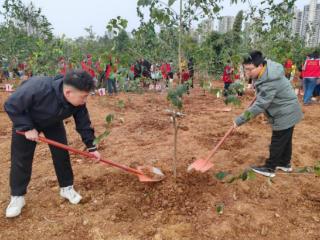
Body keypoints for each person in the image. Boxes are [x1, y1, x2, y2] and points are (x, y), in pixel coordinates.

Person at [4, 69, 101, 218]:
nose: (84, 100)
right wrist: (27, 127)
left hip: (53, 122)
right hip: (27, 121)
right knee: (21, 160)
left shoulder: (78, 101)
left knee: (61, 154)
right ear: (68, 93)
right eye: (84, 96)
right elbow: (11, 105)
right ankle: (17, 197)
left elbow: (83, 122)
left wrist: (91, 146)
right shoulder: (37, 87)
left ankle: (66, 187)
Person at [234, 51, 303, 177]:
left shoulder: (270, 80)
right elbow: (262, 90)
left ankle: (270, 168)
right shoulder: (266, 71)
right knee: (285, 140)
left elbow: (260, 105)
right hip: (289, 110)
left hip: (285, 113)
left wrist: (240, 120)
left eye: (250, 70)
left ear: (260, 65)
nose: (247, 73)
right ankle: (284, 163)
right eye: (245, 70)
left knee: (277, 140)